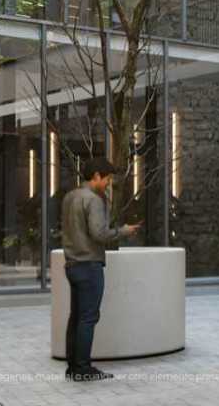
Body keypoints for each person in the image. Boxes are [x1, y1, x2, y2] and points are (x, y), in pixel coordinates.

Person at [61, 157, 141, 382]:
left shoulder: (69, 197)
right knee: (88, 317)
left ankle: (73, 368)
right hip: (89, 266)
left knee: (76, 317)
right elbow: (100, 233)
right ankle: (84, 369)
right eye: (106, 179)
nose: (107, 183)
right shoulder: (93, 200)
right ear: (96, 175)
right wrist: (123, 231)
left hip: (72, 264)